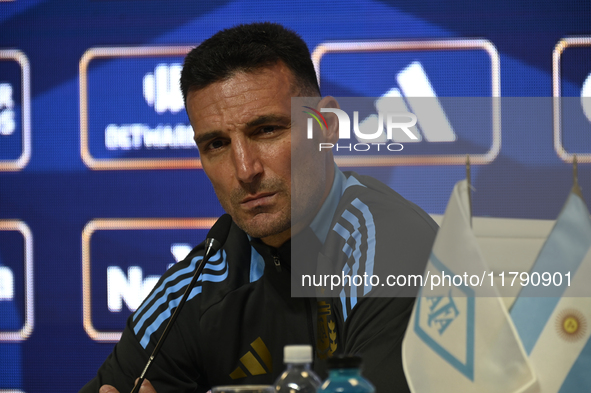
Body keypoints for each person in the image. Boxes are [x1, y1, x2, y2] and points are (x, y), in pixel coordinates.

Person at [81, 22, 437, 393]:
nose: (245, 169)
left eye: (266, 130)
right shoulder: (198, 283)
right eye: (217, 144)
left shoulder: (392, 247)